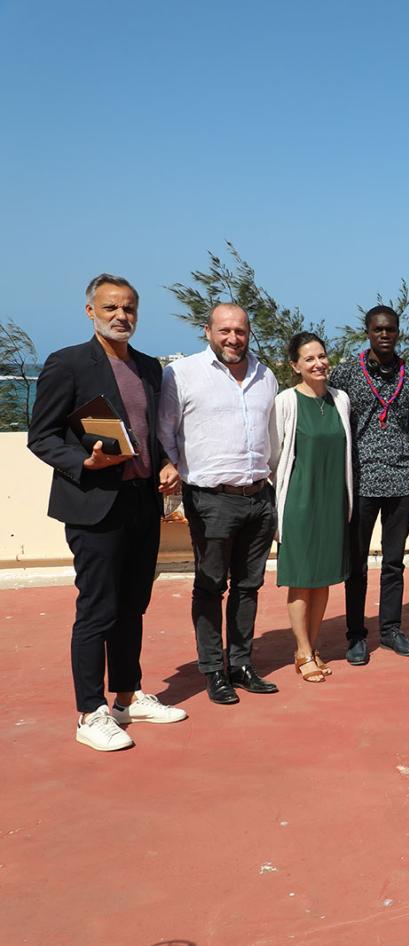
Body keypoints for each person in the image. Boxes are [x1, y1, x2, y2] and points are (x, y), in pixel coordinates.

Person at [28, 274, 186, 751]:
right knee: (97, 608)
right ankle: (89, 712)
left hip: (142, 502)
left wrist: (166, 462)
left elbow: (152, 431)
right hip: (94, 504)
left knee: (133, 605)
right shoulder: (68, 363)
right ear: (90, 311)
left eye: (129, 308)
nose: (121, 316)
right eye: (111, 307)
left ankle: (127, 697)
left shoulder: (149, 367)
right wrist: (84, 462)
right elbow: (42, 436)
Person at [158, 303, 281, 706]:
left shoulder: (266, 376)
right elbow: (165, 433)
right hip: (211, 499)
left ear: (249, 333)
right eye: (224, 330)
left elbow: (272, 436)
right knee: (211, 586)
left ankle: (241, 664)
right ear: (207, 331)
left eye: (240, 331)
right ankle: (213, 669)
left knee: (249, 586)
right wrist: (171, 468)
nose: (233, 338)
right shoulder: (181, 374)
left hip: (259, 497)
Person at [326, 305, 409, 665]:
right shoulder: (347, 372)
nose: (385, 335)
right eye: (378, 329)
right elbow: (335, 416)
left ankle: (391, 629)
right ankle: (355, 634)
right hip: (361, 479)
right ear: (367, 331)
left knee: (394, 562)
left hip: (401, 478)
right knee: (357, 564)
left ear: (398, 332)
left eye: (390, 329)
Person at [270, 333, 353, 683]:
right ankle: (302, 650)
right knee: (301, 579)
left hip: (333, 500)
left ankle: (313, 646)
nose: (318, 364)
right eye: (309, 359)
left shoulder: (341, 399)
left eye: (321, 356)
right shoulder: (286, 401)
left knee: (323, 578)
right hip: (300, 501)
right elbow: (274, 455)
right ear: (295, 366)